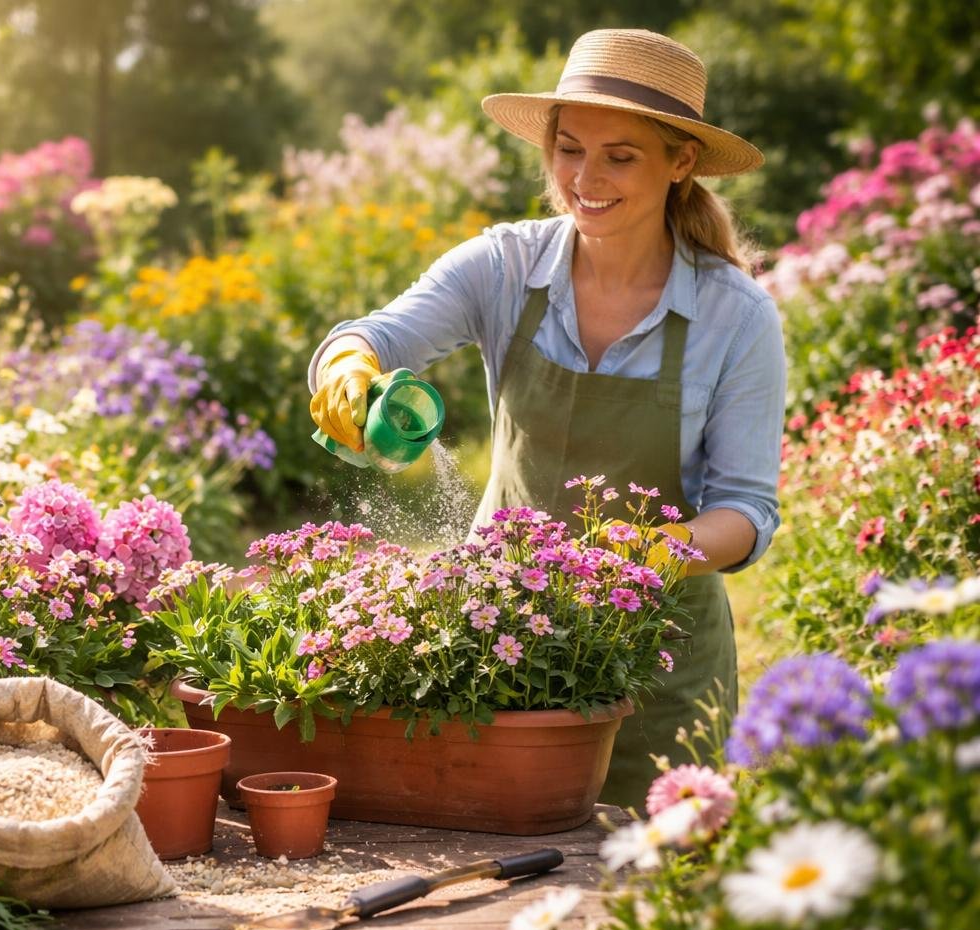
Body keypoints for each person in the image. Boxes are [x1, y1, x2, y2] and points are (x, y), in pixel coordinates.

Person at [307, 28, 786, 808]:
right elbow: (374, 335)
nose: (585, 178)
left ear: (681, 162)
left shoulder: (735, 317)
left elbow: (746, 511)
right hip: (506, 641)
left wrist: (642, 556)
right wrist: (347, 367)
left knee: (647, 904)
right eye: (569, 149)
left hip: (659, 666)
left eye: (619, 156)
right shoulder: (504, 268)